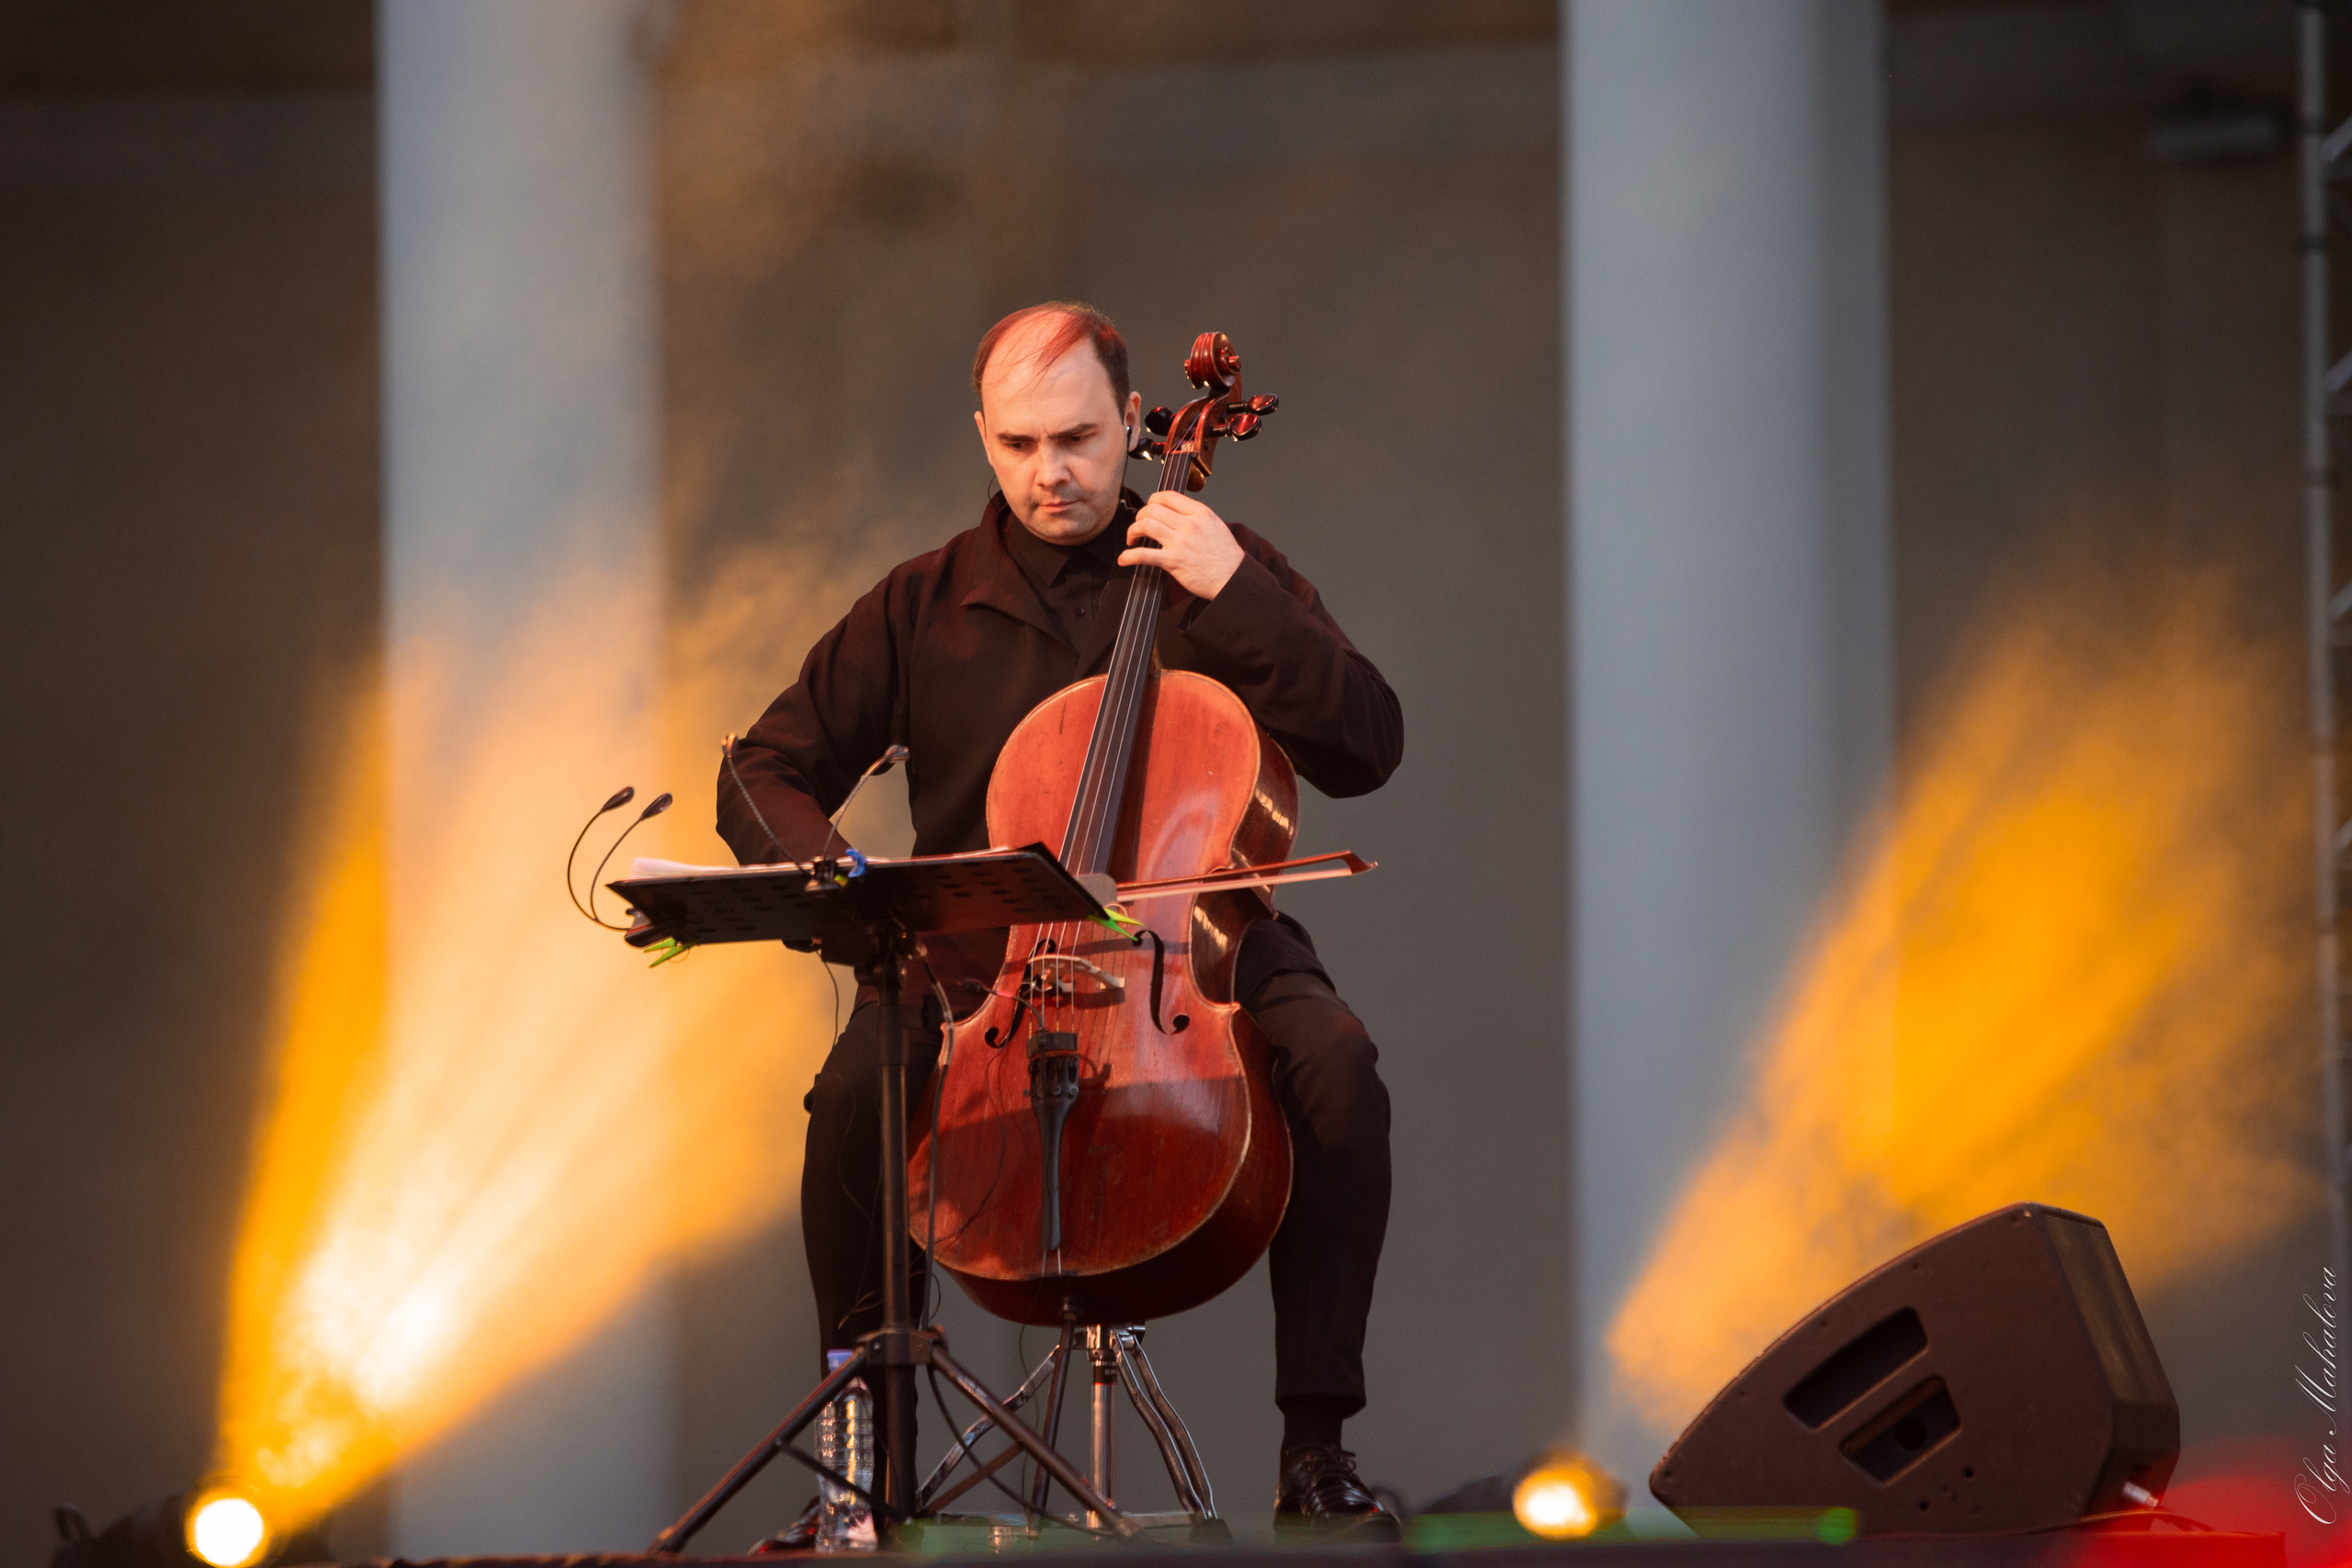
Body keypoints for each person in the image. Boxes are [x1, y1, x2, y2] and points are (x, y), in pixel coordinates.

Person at [718, 301, 1404, 1540]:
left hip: (1201, 940)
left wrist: (1238, 594)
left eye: (1081, 439)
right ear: (984, 437)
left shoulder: (1214, 563)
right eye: (1021, 445)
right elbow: (762, 770)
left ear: (1136, 424)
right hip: (979, 962)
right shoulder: (921, 604)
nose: (1053, 472)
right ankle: (865, 1472)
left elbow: (1366, 744)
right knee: (851, 1099)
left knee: (1341, 1070)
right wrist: (847, 891)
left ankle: (1317, 1450)